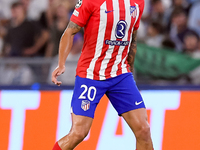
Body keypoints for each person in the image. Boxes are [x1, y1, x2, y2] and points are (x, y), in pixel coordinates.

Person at [52, 0, 154, 150]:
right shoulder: (91, 1)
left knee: (144, 130)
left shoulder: (138, 3)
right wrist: (61, 63)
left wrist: (130, 71)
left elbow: (132, 37)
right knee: (79, 133)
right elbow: (70, 31)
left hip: (120, 75)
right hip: (91, 74)